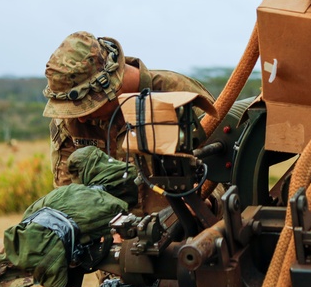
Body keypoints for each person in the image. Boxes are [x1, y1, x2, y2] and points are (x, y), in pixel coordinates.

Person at [43, 31, 217, 186]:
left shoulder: (179, 96)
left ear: (109, 86)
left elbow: (223, 173)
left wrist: (204, 202)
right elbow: (67, 193)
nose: (80, 118)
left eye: (85, 108)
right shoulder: (70, 121)